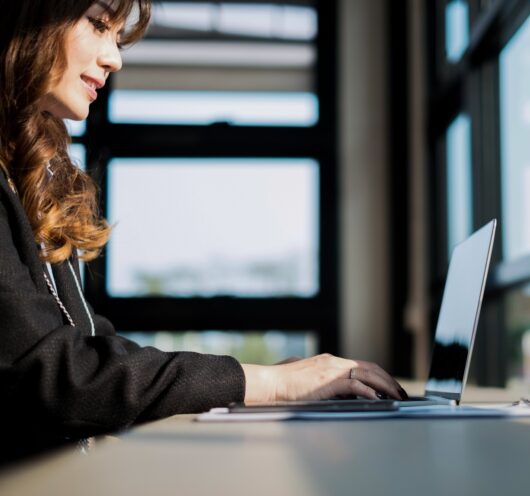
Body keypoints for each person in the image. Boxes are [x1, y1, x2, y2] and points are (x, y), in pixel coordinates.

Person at [0, 0, 406, 463]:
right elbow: (59, 375)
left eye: (116, 37)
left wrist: (258, 378)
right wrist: (269, 386)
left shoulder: (32, 175)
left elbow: (94, 351)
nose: (114, 58)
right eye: (98, 25)